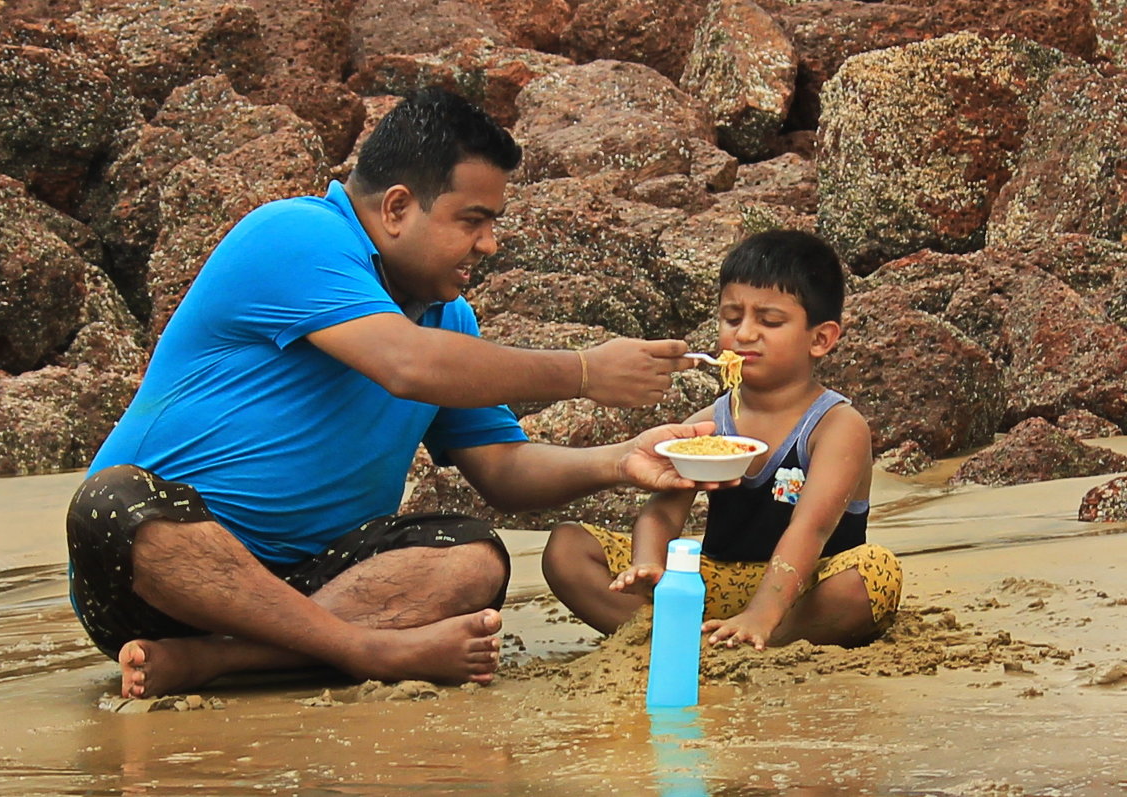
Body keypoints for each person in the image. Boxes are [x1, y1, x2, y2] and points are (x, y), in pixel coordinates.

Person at [66, 87, 715, 700]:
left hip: (323, 582)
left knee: (474, 557)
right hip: (165, 582)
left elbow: (503, 469)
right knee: (112, 500)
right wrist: (583, 372)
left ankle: (225, 660)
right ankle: (364, 650)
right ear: (398, 207)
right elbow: (405, 365)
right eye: (473, 220)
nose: (488, 243)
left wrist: (621, 457)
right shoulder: (295, 235)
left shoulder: (448, 318)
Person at [542, 230, 903, 650]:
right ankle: (675, 636)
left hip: (804, 588)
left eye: (769, 321)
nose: (744, 334)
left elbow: (812, 528)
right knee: (567, 547)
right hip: (716, 581)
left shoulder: (837, 426)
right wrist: (646, 563)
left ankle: (763, 637)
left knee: (873, 573)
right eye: (732, 318)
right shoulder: (709, 425)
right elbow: (661, 514)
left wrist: (762, 615)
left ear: (820, 338)